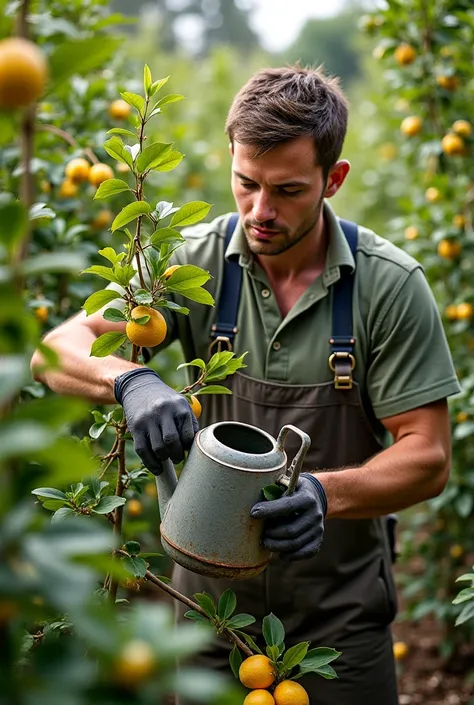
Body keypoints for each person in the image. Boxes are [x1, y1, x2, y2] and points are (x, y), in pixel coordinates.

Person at [32, 65, 460, 705]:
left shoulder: (390, 287)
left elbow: (427, 456)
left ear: (333, 179)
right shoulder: (194, 264)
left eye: (287, 190)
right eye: (246, 184)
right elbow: (53, 350)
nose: (261, 211)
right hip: (210, 614)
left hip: (338, 621)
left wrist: (324, 492)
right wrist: (132, 380)